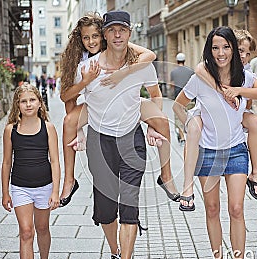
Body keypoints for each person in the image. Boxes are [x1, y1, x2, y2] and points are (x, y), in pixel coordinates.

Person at [75, 10, 170, 259]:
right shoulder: (87, 69)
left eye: (122, 30)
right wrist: (79, 131)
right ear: (104, 35)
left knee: (129, 207)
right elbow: (76, 108)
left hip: (132, 142)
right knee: (106, 211)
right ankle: (116, 251)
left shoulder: (141, 65)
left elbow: (155, 95)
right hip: (100, 144)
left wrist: (152, 126)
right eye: (112, 30)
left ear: (129, 33)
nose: (117, 35)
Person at [59, 12, 179, 207]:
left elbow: (150, 56)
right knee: (69, 122)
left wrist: (151, 125)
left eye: (95, 36)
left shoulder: (119, 43)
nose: (91, 41)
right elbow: (67, 99)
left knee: (163, 122)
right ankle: (69, 180)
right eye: (86, 37)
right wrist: (79, 129)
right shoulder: (81, 63)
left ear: (103, 35)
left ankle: (166, 176)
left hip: (129, 103)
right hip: (96, 106)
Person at [173, 26, 257, 259]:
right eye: (215, 47)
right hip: (208, 153)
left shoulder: (245, 78)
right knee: (212, 209)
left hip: (235, 150)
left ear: (234, 49)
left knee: (236, 209)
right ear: (209, 50)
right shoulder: (200, 78)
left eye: (226, 47)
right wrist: (193, 125)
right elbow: (177, 106)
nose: (221, 53)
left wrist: (234, 90)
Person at [1, 82, 60, 259]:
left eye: (32, 100)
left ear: (40, 103)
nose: (28, 104)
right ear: (17, 105)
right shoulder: (11, 129)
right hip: (20, 187)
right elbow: (6, 162)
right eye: (23, 101)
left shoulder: (48, 128)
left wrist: (55, 191)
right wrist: (5, 192)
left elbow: (56, 161)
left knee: (42, 228)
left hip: (45, 186)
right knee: (26, 231)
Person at [170, 52, 194, 144]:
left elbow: (171, 84)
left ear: (177, 61)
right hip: (190, 99)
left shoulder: (173, 72)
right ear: (184, 60)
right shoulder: (190, 71)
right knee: (190, 117)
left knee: (178, 119)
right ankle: (190, 136)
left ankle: (182, 137)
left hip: (178, 100)